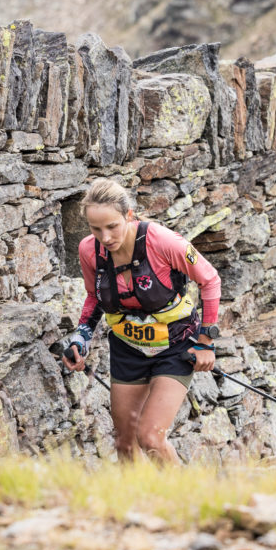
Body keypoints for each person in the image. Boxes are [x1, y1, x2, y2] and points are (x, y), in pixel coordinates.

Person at [62, 177, 222, 464]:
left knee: (150, 437)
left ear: (129, 215)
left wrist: (206, 342)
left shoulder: (161, 241)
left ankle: (189, 503)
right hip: (128, 347)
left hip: (176, 345)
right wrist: (81, 338)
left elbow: (210, 280)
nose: (105, 237)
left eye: (112, 226)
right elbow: (94, 296)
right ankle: (134, 505)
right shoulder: (89, 250)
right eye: (95, 229)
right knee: (125, 444)